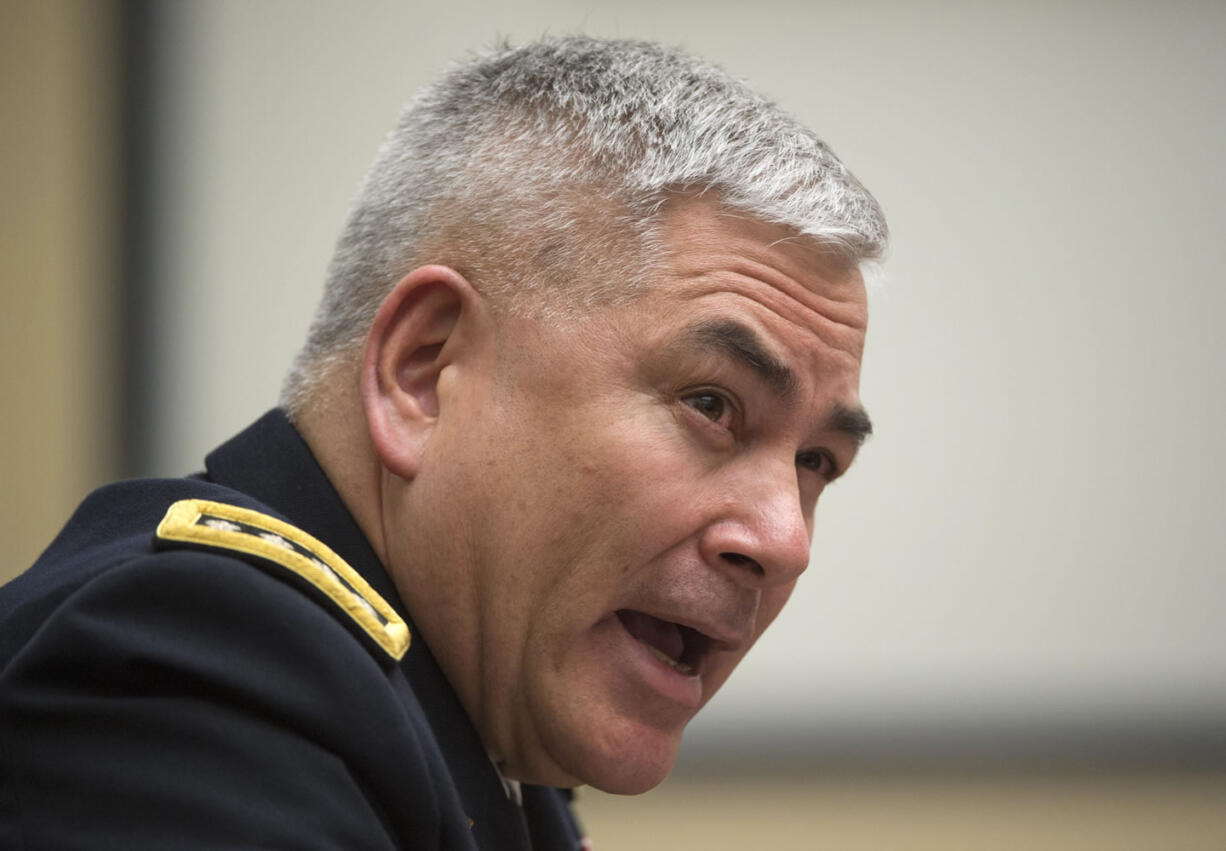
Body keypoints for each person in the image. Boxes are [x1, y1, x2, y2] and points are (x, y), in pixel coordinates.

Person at [0, 35, 886, 849]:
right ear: (423, 371)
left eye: (817, 463)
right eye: (711, 403)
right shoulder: (193, 671)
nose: (784, 541)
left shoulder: (478, 740)